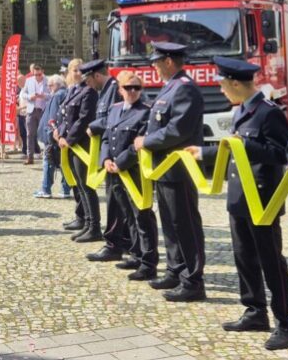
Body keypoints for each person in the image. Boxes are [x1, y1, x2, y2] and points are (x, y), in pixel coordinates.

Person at [186, 57, 288, 351]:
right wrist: (204, 153)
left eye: (223, 85)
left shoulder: (269, 113)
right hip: (239, 196)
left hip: (262, 199)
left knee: (271, 260)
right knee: (244, 256)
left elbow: (281, 153)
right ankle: (254, 310)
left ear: (236, 84)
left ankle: (285, 322)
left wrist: (245, 145)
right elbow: (231, 150)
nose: (221, 91)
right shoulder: (241, 111)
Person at [133, 41, 206, 303]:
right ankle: (176, 270)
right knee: (171, 224)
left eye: (156, 61)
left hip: (178, 169)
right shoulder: (171, 88)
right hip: (163, 168)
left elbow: (178, 131)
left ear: (168, 61)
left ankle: (193, 280)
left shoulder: (184, 89)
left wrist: (146, 142)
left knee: (184, 224)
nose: (153, 66)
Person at [85, 71, 160, 281]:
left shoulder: (146, 111)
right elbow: (108, 137)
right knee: (126, 215)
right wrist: (105, 159)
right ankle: (135, 254)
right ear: (120, 90)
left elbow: (139, 143)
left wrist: (120, 162)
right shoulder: (115, 109)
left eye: (137, 88)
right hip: (114, 172)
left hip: (134, 173)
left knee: (142, 216)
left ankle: (149, 261)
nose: (133, 92)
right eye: (128, 88)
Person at [58, 59, 100, 242]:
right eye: (73, 70)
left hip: (81, 143)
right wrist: (60, 134)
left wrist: (68, 139)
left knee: (86, 185)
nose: (76, 73)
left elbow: (84, 119)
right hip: (70, 143)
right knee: (78, 185)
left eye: (79, 70)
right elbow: (64, 116)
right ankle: (84, 220)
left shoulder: (88, 91)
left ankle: (94, 226)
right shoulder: (72, 90)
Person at [34, 74, 70, 198]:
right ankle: (65, 189)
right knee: (64, 161)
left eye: (51, 85)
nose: (49, 87)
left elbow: (53, 117)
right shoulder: (67, 93)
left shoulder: (58, 95)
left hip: (53, 134)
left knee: (48, 161)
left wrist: (52, 132)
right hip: (62, 133)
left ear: (58, 84)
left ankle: (45, 189)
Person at [21, 65, 49, 165]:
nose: (37, 76)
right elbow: (23, 94)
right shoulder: (29, 81)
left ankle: (47, 155)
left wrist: (44, 96)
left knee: (45, 133)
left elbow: (53, 94)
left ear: (43, 71)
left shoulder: (48, 80)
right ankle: (30, 157)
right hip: (31, 110)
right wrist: (29, 96)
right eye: (35, 74)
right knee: (29, 134)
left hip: (43, 110)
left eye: (39, 74)